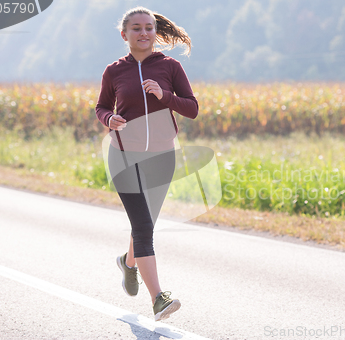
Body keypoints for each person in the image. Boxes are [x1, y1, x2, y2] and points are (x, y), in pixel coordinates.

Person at [95, 6, 198, 322]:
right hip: (124, 155)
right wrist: (108, 119)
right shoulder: (114, 71)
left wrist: (164, 95)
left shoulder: (170, 67)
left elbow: (192, 108)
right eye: (136, 28)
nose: (144, 33)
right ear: (124, 34)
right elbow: (100, 107)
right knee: (143, 226)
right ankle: (159, 299)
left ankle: (128, 262)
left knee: (146, 224)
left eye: (149, 28)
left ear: (156, 33)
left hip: (162, 157)